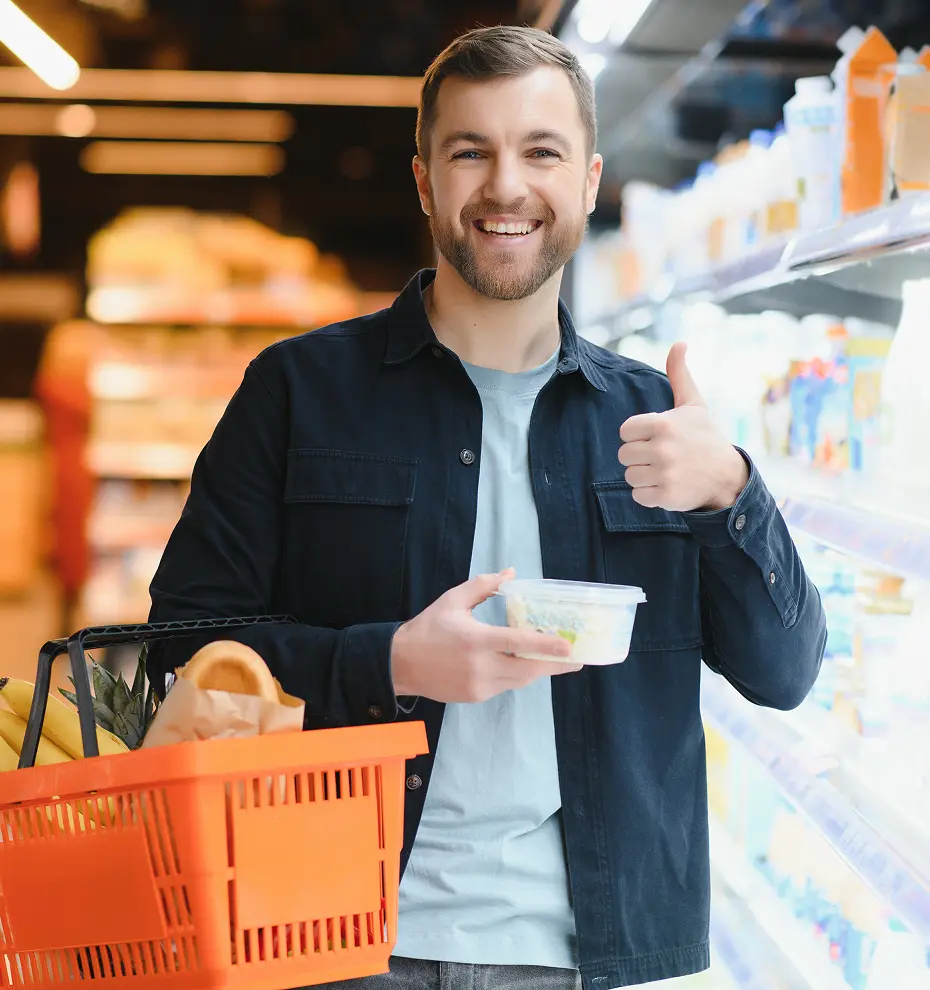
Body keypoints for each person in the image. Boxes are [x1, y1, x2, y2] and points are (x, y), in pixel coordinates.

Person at [147, 24, 826, 990]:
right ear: (425, 182)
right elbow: (180, 644)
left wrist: (731, 496)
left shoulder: (663, 424)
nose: (507, 186)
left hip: (588, 957)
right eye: (471, 151)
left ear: (588, 181)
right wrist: (387, 662)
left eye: (541, 151)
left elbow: (786, 674)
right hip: (327, 939)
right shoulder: (298, 392)